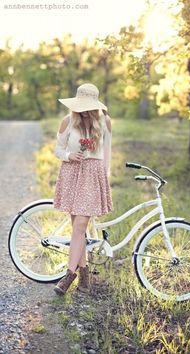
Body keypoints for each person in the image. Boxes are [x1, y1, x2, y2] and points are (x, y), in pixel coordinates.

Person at [53, 83, 113, 295]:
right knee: (77, 228)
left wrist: (104, 180)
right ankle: (85, 276)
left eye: (88, 106)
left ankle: (69, 276)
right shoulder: (68, 121)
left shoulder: (104, 122)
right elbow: (58, 148)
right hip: (71, 172)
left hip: (92, 176)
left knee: (80, 225)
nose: (84, 111)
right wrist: (69, 156)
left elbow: (107, 153)